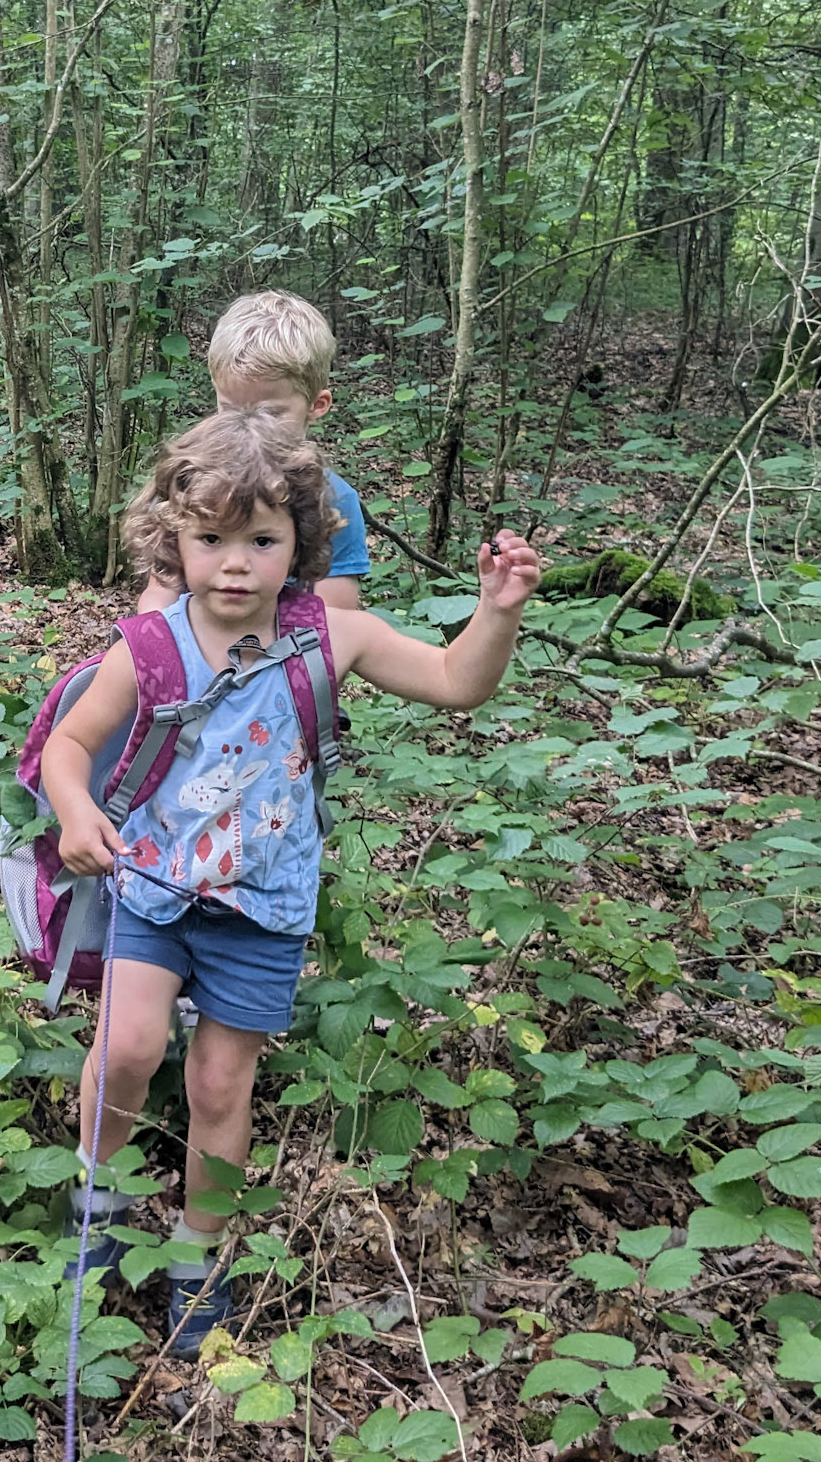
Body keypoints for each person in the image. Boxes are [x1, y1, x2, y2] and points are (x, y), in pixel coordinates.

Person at [42, 408, 541, 1354]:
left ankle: (199, 1258)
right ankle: (95, 1205)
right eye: (212, 540)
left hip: (263, 910)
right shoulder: (149, 646)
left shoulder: (330, 637)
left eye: (263, 541)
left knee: (223, 1087)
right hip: (154, 888)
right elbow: (70, 742)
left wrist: (497, 611)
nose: (236, 564)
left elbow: (452, 680)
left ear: (302, 544)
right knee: (127, 1048)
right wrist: (76, 811)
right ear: (172, 540)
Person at [137, 290, 369, 611]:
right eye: (231, 409)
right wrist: (155, 647)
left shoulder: (332, 501)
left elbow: (333, 619)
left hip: (287, 656)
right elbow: (160, 593)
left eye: (271, 413)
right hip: (192, 652)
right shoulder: (195, 484)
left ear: (317, 405)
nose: (250, 424)